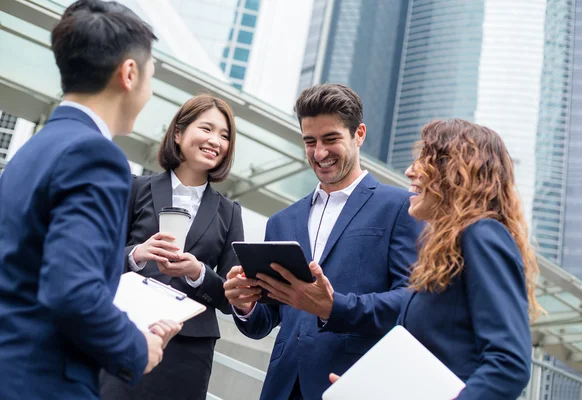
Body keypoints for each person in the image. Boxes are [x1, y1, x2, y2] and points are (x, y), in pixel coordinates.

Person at [0, 1, 182, 399]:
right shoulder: (97, 157)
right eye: (152, 75)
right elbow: (71, 289)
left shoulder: (32, 151)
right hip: (44, 382)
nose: (150, 91)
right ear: (129, 73)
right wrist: (137, 347)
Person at [223, 83, 421, 400]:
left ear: (359, 135)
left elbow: (410, 303)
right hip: (282, 388)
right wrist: (245, 306)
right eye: (310, 141)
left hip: (352, 384)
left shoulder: (400, 207)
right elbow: (268, 318)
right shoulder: (281, 221)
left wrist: (334, 308)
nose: (319, 153)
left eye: (331, 139)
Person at [333, 119, 538, 399]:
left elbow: (509, 365)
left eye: (424, 161)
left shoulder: (482, 234)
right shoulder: (442, 252)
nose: (409, 171)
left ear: (456, 172)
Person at [100, 94, 244, 400]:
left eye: (224, 135)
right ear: (178, 133)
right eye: (206, 129)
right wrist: (137, 255)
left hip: (188, 350)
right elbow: (99, 259)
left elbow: (232, 298)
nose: (215, 140)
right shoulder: (136, 188)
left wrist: (198, 273)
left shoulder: (230, 212)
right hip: (128, 329)